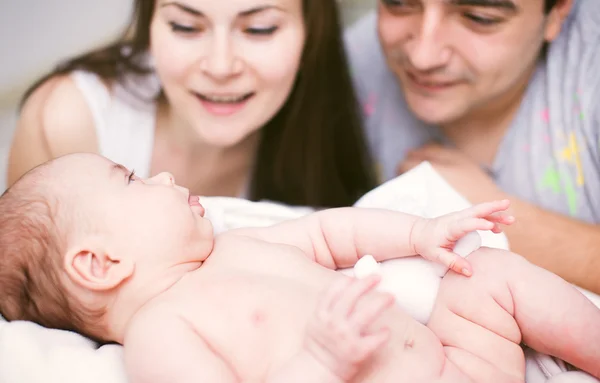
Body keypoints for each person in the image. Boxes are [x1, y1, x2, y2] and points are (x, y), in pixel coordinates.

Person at [1, 153, 599, 383]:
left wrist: (421, 232)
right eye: (130, 180)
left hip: (462, 365)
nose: (161, 177)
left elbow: (329, 231)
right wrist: (320, 361)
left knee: (488, 275)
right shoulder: (161, 334)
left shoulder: (232, 248)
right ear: (99, 264)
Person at [7, 0, 376, 208]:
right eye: (185, 26)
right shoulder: (69, 120)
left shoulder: (342, 120)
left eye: (259, 29)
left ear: (313, 32)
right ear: (149, 24)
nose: (219, 66)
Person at [344, 0, 600, 294]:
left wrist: (489, 218)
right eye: (399, 4)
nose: (422, 57)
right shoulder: (355, 61)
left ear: (557, 11)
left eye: (479, 17)